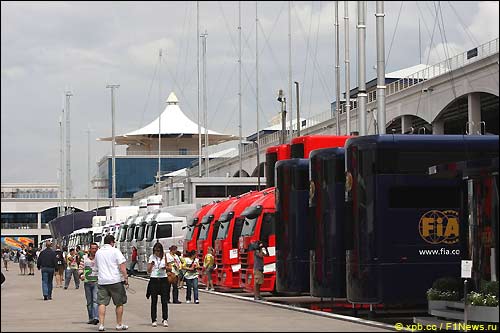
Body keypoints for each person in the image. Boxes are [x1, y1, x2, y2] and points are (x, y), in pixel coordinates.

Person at [95, 234, 129, 332]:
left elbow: (97, 266)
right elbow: (122, 265)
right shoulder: (115, 251)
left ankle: (101, 324)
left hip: (102, 281)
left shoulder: (98, 252)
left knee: (102, 303)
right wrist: (125, 277)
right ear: (111, 242)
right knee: (119, 303)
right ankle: (119, 324)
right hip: (115, 280)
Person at [146, 242, 170, 327]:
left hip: (163, 278)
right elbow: (148, 270)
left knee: (164, 300)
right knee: (154, 301)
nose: (157, 253)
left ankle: (165, 318)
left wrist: (165, 267)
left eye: (158, 251)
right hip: (154, 279)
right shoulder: (151, 257)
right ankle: (154, 319)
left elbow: (169, 267)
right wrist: (151, 265)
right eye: (155, 251)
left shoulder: (165, 256)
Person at [79, 242, 100, 325]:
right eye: (92, 248)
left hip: (96, 282)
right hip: (87, 282)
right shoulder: (84, 258)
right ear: (90, 249)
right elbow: (80, 268)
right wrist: (81, 275)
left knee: (95, 300)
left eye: (95, 248)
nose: (94, 250)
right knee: (89, 302)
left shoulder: (99, 258)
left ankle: (96, 317)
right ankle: (91, 318)